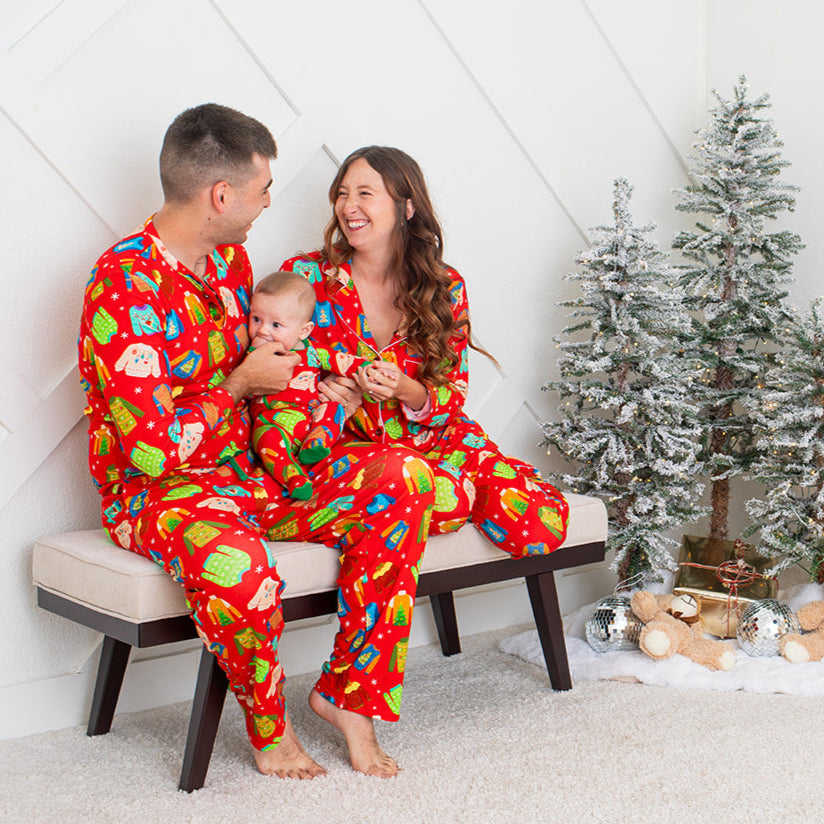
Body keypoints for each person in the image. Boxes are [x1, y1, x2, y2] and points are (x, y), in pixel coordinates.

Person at [78, 106, 435, 779]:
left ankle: (349, 697)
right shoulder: (123, 284)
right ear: (221, 196)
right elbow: (149, 451)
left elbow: (271, 366)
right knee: (239, 567)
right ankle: (270, 734)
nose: (269, 203)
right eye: (263, 188)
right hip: (160, 493)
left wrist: (323, 391)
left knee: (404, 476)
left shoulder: (233, 262)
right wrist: (241, 384)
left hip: (252, 474)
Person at [281, 145, 570, 557]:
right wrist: (331, 391)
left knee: (540, 523)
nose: (349, 206)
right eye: (342, 193)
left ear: (407, 206)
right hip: (345, 443)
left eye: (366, 193)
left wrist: (404, 390)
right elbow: (279, 365)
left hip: (436, 437)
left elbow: (451, 391)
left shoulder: (444, 286)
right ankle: (440, 492)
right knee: (443, 499)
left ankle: (442, 488)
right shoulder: (305, 276)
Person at [247, 271, 372, 500]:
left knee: (334, 409)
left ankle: (317, 441)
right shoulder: (256, 355)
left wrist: (370, 371)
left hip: (310, 417)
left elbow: (345, 362)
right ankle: (292, 476)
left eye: (276, 325)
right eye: (256, 319)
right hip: (273, 423)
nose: (263, 330)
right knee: (265, 439)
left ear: (303, 330)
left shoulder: (313, 352)